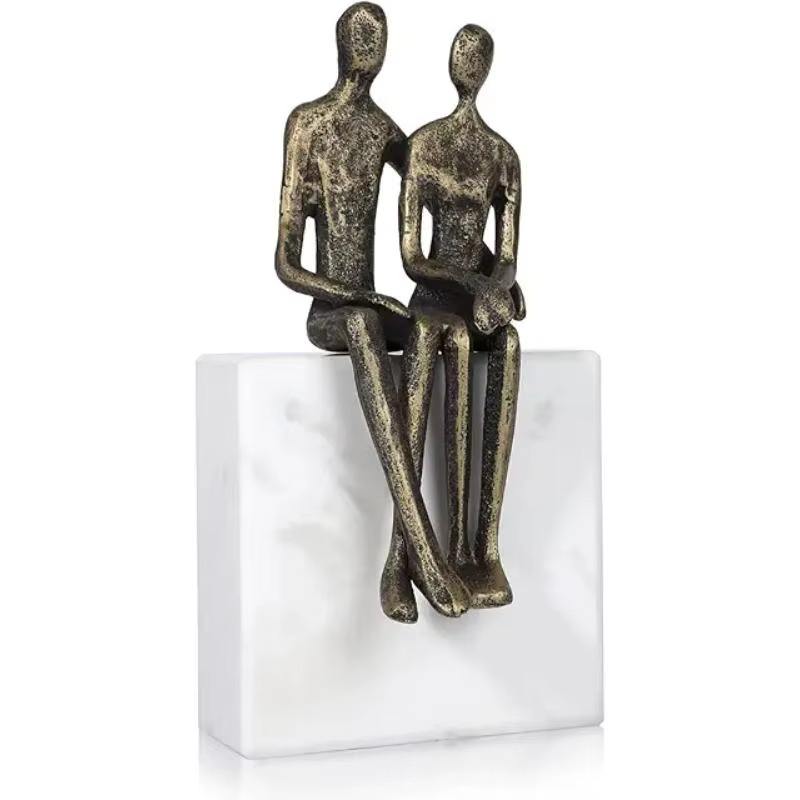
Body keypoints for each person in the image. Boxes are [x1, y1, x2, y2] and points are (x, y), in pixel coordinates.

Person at [275, 3, 470, 618]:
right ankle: (425, 550)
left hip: (376, 308)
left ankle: (398, 562)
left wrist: (491, 276)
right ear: (340, 43)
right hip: (332, 313)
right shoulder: (307, 124)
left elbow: (440, 197)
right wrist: (358, 297)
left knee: (435, 329)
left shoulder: (385, 132)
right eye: (359, 35)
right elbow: (286, 264)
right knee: (363, 324)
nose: (368, 46)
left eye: (377, 38)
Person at [381, 24, 524, 616]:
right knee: (454, 339)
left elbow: (507, 254)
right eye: (464, 55)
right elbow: (413, 258)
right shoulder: (425, 146)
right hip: (435, 298)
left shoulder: (503, 157)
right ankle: (445, 547)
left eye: (477, 57)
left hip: (476, 299)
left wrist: (500, 285)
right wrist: (475, 283)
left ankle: (485, 544)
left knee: (508, 345)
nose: (469, 65)